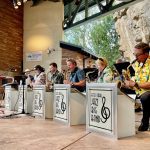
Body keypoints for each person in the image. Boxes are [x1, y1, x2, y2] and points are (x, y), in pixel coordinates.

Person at [124, 42, 150, 131]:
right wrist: (128, 82)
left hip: (147, 90)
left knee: (145, 97)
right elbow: (137, 79)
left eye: (138, 55)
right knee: (121, 91)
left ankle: (145, 122)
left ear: (146, 53)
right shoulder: (138, 64)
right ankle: (124, 121)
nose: (135, 57)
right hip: (139, 89)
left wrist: (135, 84)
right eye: (134, 54)